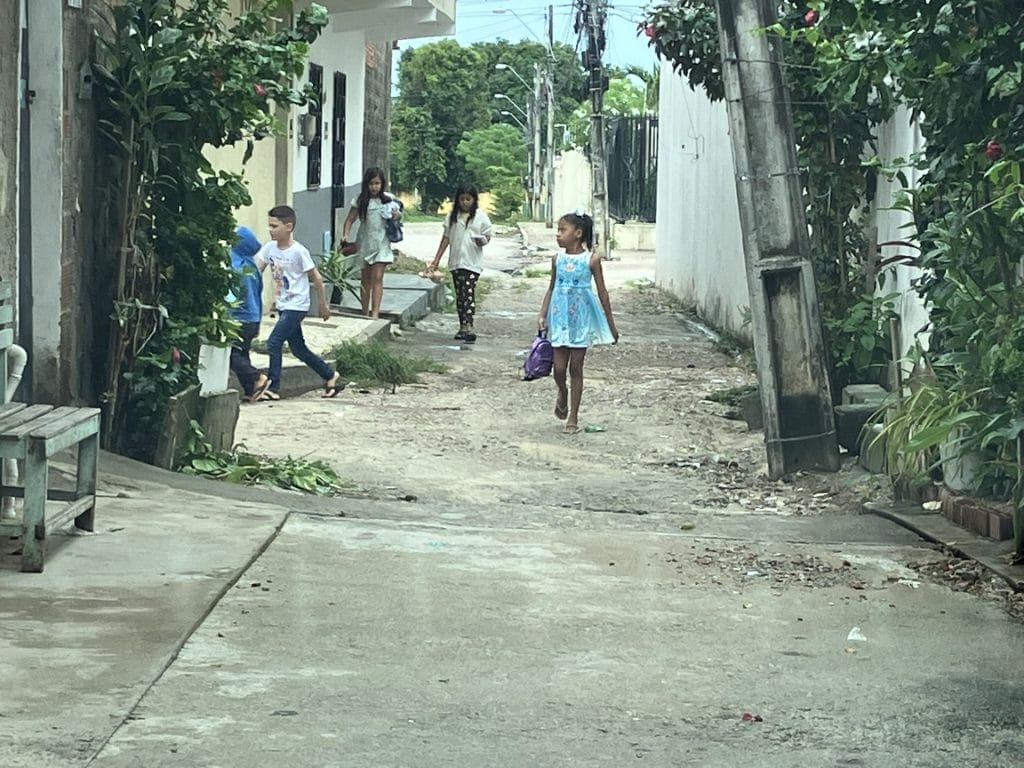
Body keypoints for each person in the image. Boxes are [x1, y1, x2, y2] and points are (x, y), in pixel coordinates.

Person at [537, 211, 619, 433]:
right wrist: (542, 314)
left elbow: (602, 292)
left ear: (578, 233)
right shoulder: (557, 259)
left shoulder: (591, 260)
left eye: (563, 230)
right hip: (560, 317)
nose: (558, 235)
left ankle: (573, 416)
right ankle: (562, 392)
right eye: (558, 230)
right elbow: (552, 287)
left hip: (581, 320)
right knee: (559, 369)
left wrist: (611, 324)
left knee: (576, 367)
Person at [256, 205, 344, 399]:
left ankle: (273, 387)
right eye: (269, 226)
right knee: (298, 348)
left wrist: (323, 304)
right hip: (283, 304)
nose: (271, 230)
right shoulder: (269, 248)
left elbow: (317, 278)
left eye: (275, 226)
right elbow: (256, 270)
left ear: (288, 226)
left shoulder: (299, 251)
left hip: (297, 305)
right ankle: (330, 375)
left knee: (274, 342)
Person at [427, 184, 493, 344]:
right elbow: (446, 238)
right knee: (460, 295)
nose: (465, 202)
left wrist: (482, 240)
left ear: (474, 200)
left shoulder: (481, 217)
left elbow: (487, 236)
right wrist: (436, 260)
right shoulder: (452, 217)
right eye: (462, 199)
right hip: (456, 262)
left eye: (468, 199)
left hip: (472, 263)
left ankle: (468, 326)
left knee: (468, 293)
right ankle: (462, 324)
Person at [341, 167, 402, 318]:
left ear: (382, 184)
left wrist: (397, 215)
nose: (374, 187)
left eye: (377, 183)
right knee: (366, 278)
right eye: (371, 183)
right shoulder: (361, 200)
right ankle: (364, 310)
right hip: (365, 242)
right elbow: (350, 219)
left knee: (378, 277)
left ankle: (375, 313)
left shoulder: (388, 199)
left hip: (382, 242)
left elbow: (398, 215)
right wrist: (345, 235)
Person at [228, 225, 271, 403]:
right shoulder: (252, 267)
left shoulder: (237, 267)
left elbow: (233, 294)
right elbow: (257, 293)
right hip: (252, 318)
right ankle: (250, 389)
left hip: (239, 317)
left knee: (232, 353)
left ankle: (255, 378)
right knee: (243, 353)